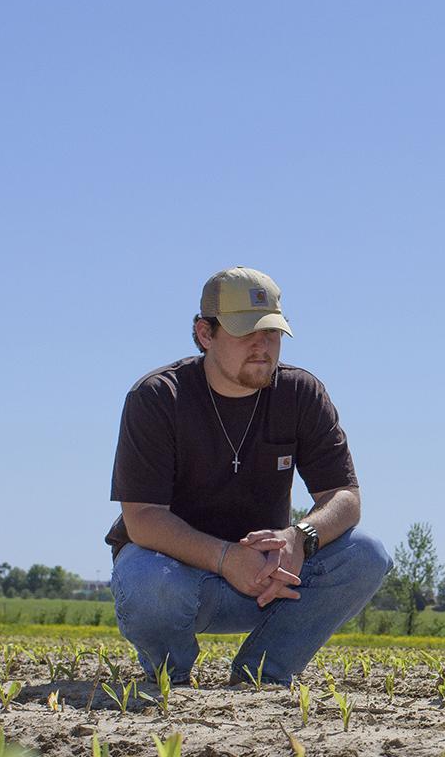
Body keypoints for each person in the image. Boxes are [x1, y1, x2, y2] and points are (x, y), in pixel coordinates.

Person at [106, 267, 390, 685]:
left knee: (366, 554)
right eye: (246, 332)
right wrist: (225, 557)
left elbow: (345, 497)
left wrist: (301, 537)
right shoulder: (157, 397)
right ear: (206, 334)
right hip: (179, 578)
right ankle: (170, 676)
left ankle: (261, 674)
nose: (262, 347)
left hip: (268, 582)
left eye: (272, 333)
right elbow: (143, 517)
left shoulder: (300, 393)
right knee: (145, 579)